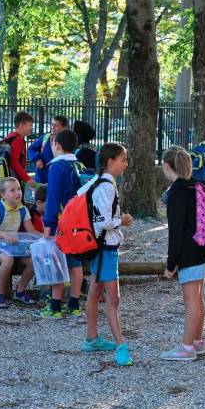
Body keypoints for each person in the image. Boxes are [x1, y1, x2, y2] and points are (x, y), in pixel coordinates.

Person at [160, 146, 205, 362]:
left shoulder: (177, 193)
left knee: (191, 300)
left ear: (167, 166)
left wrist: (170, 264)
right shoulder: (199, 185)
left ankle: (186, 348)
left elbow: (176, 233)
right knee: (198, 298)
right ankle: (198, 342)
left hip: (190, 253)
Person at [82, 143, 134, 367]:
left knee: (95, 291)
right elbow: (102, 222)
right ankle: (121, 345)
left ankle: (91, 338)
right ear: (110, 161)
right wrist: (121, 221)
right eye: (123, 160)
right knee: (113, 299)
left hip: (99, 247)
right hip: (106, 248)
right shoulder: (107, 187)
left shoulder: (96, 182)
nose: (126, 164)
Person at [41, 129, 85, 321]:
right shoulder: (78, 165)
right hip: (78, 222)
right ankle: (74, 304)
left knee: (57, 262)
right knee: (75, 263)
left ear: (56, 145)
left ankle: (55, 306)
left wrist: (48, 224)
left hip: (61, 222)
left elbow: (53, 198)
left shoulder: (57, 167)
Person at [0, 177, 37, 308]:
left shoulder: (23, 209)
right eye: (12, 190)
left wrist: (47, 237)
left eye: (19, 189)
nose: (18, 192)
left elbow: (31, 232)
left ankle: (20, 290)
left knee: (34, 260)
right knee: (8, 259)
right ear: (3, 195)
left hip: (14, 248)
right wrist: (4, 235)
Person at [28, 116, 68, 184]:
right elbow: (31, 148)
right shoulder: (45, 137)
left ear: (64, 128)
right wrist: (36, 159)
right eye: (52, 124)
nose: (52, 127)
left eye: (56, 125)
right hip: (41, 178)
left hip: (57, 179)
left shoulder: (68, 141)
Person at [4, 111, 36, 189]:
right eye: (30, 125)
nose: (31, 128)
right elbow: (14, 162)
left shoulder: (11, 136)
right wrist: (27, 179)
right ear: (21, 125)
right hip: (14, 180)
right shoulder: (18, 139)